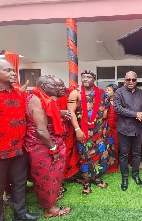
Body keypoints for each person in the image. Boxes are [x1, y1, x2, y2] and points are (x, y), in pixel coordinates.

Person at [24, 75, 71, 218]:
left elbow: (47, 113)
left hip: (45, 142)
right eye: (55, 86)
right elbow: (41, 130)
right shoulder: (37, 100)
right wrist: (53, 149)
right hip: (42, 145)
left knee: (49, 176)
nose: (59, 88)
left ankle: (47, 201)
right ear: (44, 87)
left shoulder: (43, 97)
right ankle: (50, 210)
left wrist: (60, 112)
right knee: (48, 177)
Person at [0, 58, 41, 221]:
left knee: (20, 183)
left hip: (18, 148)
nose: (12, 73)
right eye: (7, 70)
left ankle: (21, 214)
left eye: (12, 70)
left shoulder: (18, 93)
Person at [67, 70, 116, 194]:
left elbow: (106, 110)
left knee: (99, 154)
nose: (85, 79)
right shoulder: (75, 93)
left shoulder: (102, 93)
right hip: (83, 130)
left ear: (94, 79)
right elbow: (71, 112)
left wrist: (102, 124)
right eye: (83, 77)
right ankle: (86, 182)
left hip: (100, 130)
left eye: (88, 77)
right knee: (85, 156)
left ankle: (95, 177)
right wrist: (77, 129)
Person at [114, 71, 142, 191]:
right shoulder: (119, 92)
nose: (131, 82)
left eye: (133, 80)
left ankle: (136, 175)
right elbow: (118, 109)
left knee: (137, 153)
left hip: (138, 129)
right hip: (124, 128)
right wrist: (135, 114)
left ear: (136, 81)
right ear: (125, 80)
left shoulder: (140, 93)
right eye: (128, 80)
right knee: (124, 154)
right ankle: (125, 177)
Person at [105, 83, 119, 173]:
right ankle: (106, 166)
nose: (106, 91)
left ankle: (114, 165)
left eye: (109, 90)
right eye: (106, 90)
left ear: (114, 92)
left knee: (116, 147)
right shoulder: (104, 101)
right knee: (107, 147)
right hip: (106, 128)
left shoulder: (119, 102)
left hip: (117, 128)